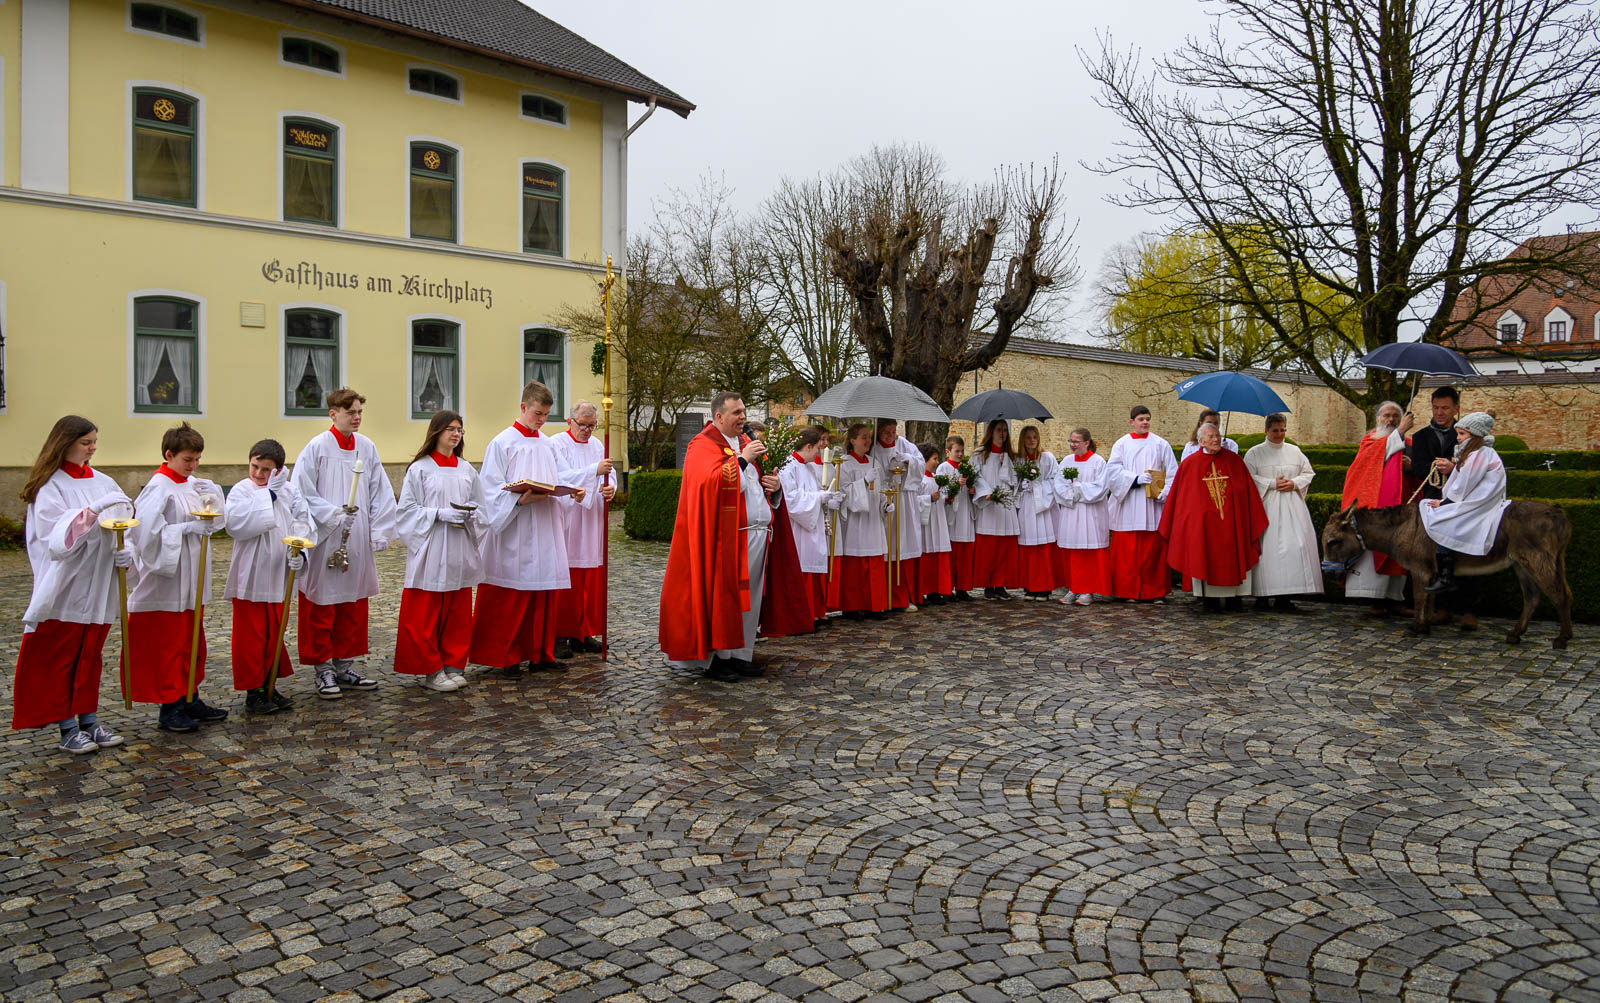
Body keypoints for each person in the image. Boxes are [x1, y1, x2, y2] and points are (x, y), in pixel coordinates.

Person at [12, 416, 131, 753]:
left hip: (98, 581)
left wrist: (126, 552)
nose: (93, 448)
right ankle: (67, 728)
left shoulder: (105, 481)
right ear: (65, 442)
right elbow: (54, 540)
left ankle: (89, 720)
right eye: (86, 442)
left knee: (90, 655)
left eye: (95, 441)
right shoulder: (51, 486)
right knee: (61, 656)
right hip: (68, 583)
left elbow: (125, 521)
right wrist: (90, 513)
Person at [658, 391, 782, 680]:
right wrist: (740, 461)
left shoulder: (746, 443)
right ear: (719, 417)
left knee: (748, 599)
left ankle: (740, 654)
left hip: (756, 534)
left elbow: (753, 486)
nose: (743, 417)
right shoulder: (702, 445)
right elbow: (707, 485)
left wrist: (773, 487)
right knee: (724, 598)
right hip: (724, 539)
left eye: (743, 411)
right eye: (736, 412)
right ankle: (716, 659)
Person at [291, 388, 399, 699]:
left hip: (356, 537)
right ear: (332, 413)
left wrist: (379, 530)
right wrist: (333, 514)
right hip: (326, 537)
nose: (356, 417)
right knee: (323, 603)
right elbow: (302, 493)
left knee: (352, 603)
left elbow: (380, 489)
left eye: (359, 413)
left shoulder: (366, 447)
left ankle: (344, 663)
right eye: (350, 412)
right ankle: (323, 668)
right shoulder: (317, 448)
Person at [472, 381, 582, 674]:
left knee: (543, 592)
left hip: (545, 526)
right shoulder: (502, 442)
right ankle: (507, 655)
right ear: (523, 407)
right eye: (537, 413)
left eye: (546, 415)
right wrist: (519, 501)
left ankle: (541, 653)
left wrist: (570, 491)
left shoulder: (547, 444)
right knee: (513, 594)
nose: (541, 420)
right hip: (515, 528)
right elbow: (489, 490)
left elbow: (558, 477)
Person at [126, 422, 230, 731]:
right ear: (169, 454)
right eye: (188, 459)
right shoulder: (158, 487)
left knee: (190, 641)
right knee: (169, 645)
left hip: (190, 578)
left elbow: (214, 520)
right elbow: (145, 535)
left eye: (197, 459)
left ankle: (189, 696)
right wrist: (186, 529)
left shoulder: (190, 483)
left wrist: (214, 501)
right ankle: (170, 707)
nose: (193, 465)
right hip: (167, 579)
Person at [395, 411, 487, 692]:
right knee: (426, 613)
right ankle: (431, 669)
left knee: (458, 611)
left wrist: (470, 516)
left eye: (459, 429)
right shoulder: (420, 469)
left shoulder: (466, 469)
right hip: (432, 546)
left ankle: (453, 664)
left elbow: (482, 507)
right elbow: (406, 511)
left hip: (458, 545)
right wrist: (439, 514)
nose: (456, 434)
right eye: (450, 429)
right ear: (436, 432)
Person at [224, 439, 310, 715]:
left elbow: (302, 521)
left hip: (280, 571)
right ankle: (254, 690)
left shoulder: (290, 491)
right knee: (252, 635)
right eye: (255, 467)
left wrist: (299, 550)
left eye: (266, 470)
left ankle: (268, 683)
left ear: (279, 470)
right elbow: (237, 525)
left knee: (274, 631)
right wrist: (267, 496)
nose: (258, 474)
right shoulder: (242, 490)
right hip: (252, 572)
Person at [1159, 423, 1270, 612]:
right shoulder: (1189, 464)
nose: (1216, 439)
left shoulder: (1234, 461)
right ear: (1201, 441)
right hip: (1203, 526)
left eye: (1217, 435)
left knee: (1234, 555)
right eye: (1210, 437)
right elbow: (1184, 498)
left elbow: (1246, 493)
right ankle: (1209, 601)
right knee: (1203, 555)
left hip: (1232, 523)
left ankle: (1235, 600)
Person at [1406, 386, 1480, 628]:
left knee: (1465, 553)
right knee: (1436, 556)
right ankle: (1443, 607)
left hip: (1462, 503)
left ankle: (1469, 609)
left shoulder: (1470, 436)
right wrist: (1438, 468)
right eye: (1436, 407)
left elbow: (1478, 466)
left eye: (1445, 408)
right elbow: (1417, 467)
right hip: (1433, 502)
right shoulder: (1420, 437)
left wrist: (1454, 467)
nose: (1439, 413)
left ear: (1456, 409)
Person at [549, 401, 617, 659]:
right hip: (569, 517)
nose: (588, 430)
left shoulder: (598, 446)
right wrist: (593, 471)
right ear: (570, 421)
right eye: (583, 425)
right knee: (567, 577)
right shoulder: (556, 444)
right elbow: (560, 478)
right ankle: (559, 634)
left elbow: (607, 477)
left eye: (592, 425)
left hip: (591, 519)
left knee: (590, 577)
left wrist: (610, 489)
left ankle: (582, 631)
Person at [1421, 412, 1510, 594]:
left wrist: (1446, 502)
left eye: (1462, 434)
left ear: (1474, 435)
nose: (1458, 438)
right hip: (1477, 498)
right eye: (1458, 433)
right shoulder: (1479, 453)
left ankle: (1446, 576)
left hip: (1479, 501)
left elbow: (1464, 483)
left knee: (1444, 522)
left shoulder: (1479, 454)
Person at [1243, 414, 1323, 612]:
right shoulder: (1255, 453)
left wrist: (1294, 483)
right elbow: (1246, 478)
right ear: (1266, 431)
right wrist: (1271, 483)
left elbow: (1308, 473)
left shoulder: (1294, 451)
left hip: (1292, 507)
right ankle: (1262, 595)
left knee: (1292, 548)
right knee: (1267, 551)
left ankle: (1284, 597)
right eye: (1275, 430)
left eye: (1283, 430)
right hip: (1266, 506)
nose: (1280, 434)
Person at [1341, 401, 1413, 613]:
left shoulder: (1408, 441)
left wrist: (1411, 464)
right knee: (1377, 551)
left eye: (1396, 416)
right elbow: (1373, 460)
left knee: (1399, 551)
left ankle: (1395, 599)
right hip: (1377, 505)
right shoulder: (1370, 440)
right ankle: (1376, 600)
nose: (1391, 420)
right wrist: (1399, 431)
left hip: (1401, 504)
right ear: (1378, 419)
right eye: (1386, 416)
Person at [1105, 406, 1179, 600]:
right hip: (1129, 503)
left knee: (1152, 552)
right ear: (1132, 422)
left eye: (1147, 419)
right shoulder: (1121, 444)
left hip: (1152, 505)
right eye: (1140, 419)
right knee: (1127, 553)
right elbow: (1112, 472)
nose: (1144, 422)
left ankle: (1155, 592)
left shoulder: (1160, 444)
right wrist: (1135, 479)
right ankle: (1125, 590)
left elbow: (1173, 471)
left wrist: (1165, 492)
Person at [826, 422, 892, 619]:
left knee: (875, 563)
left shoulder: (875, 463)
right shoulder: (844, 464)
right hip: (855, 522)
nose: (868, 441)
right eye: (863, 437)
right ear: (852, 440)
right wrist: (863, 482)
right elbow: (843, 492)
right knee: (856, 566)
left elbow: (880, 491)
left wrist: (885, 505)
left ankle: (875, 605)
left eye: (869, 437)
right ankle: (853, 606)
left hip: (873, 519)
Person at [776, 425, 837, 628]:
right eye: (818, 448)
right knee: (803, 571)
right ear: (809, 446)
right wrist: (818, 497)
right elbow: (790, 500)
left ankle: (816, 612)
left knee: (813, 569)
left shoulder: (808, 467)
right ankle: (804, 615)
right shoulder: (788, 466)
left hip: (811, 526)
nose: (820, 452)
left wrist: (825, 497)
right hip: (797, 529)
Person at [1051, 427, 1112, 606]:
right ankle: (1073, 588)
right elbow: (1058, 484)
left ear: (1086, 443)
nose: (1072, 445)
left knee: (1088, 552)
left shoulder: (1098, 462)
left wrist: (1077, 489)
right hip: (1071, 512)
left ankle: (1087, 590)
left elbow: (1100, 488)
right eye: (1071, 441)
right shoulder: (1067, 461)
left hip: (1090, 515)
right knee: (1072, 550)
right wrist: (1071, 494)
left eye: (1076, 442)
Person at [870, 419, 925, 611]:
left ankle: (904, 596)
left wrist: (909, 460)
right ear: (878, 432)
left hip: (904, 500)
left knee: (903, 545)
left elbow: (921, 465)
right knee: (887, 547)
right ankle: (886, 597)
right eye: (886, 432)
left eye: (893, 431)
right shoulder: (873, 450)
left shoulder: (905, 445)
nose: (890, 436)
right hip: (884, 502)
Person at [973, 419, 1021, 599]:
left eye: (1005, 430)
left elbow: (1015, 481)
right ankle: (988, 585)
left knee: (1004, 548)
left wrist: (1006, 466)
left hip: (1006, 505)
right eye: (999, 430)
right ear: (991, 432)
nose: (1002, 434)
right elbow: (974, 476)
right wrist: (986, 492)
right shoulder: (980, 454)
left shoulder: (1011, 456)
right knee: (989, 548)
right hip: (988, 504)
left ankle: (1000, 584)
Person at [1014, 425, 1059, 600]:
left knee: (1043, 547)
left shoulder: (1047, 458)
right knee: (1028, 546)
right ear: (1023, 440)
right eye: (1028, 438)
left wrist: (1038, 485)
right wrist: (1022, 486)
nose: (1032, 440)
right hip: (1026, 505)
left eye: (1035, 437)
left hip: (1043, 507)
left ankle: (1045, 587)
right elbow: (1013, 484)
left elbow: (1057, 480)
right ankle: (1030, 585)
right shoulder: (1018, 461)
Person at [937, 435, 977, 601]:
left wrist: (971, 489)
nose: (960, 454)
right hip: (952, 514)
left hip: (965, 513)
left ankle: (963, 588)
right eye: (957, 451)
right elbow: (940, 489)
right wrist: (954, 487)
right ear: (948, 451)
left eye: (962, 451)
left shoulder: (966, 468)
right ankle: (949, 588)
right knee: (952, 553)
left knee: (965, 554)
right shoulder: (943, 468)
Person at [916, 442, 954, 604]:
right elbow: (913, 501)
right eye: (934, 459)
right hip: (927, 524)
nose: (937, 462)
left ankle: (937, 590)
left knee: (938, 556)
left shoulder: (937, 479)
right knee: (927, 558)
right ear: (924, 460)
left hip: (938, 521)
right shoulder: (920, 480)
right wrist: (929, 499)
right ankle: (925, 590)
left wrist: (946, 498)